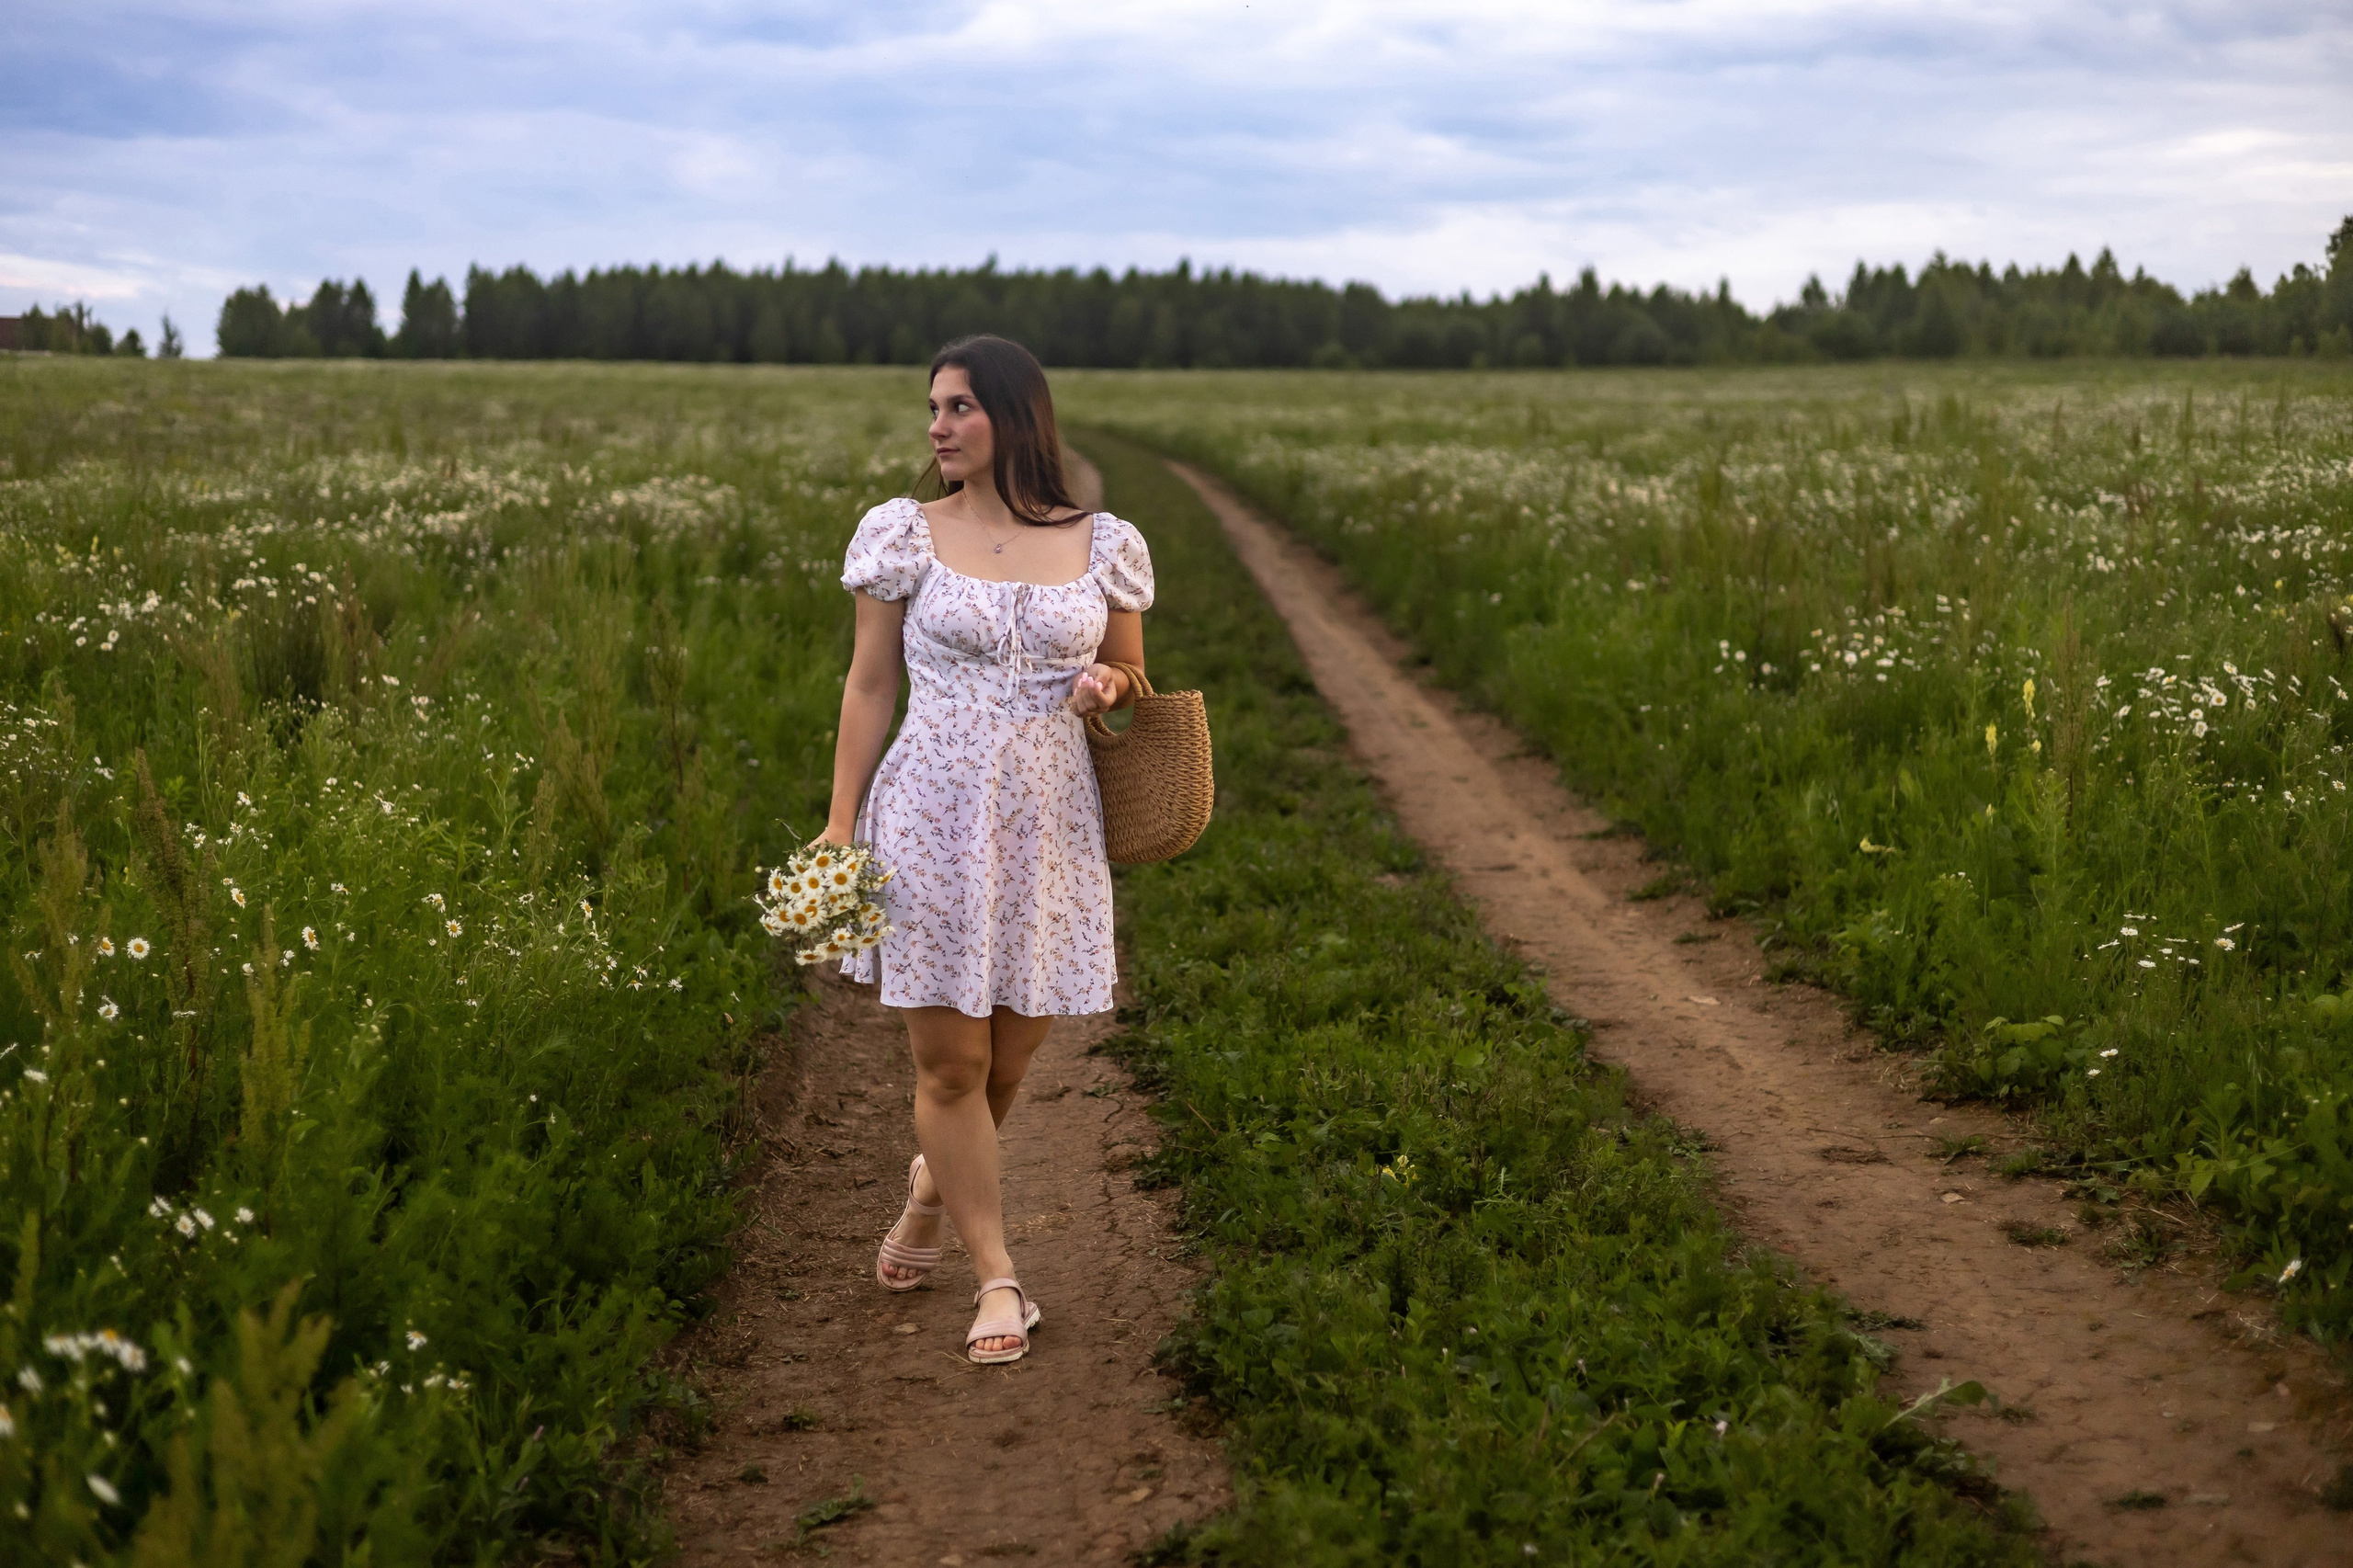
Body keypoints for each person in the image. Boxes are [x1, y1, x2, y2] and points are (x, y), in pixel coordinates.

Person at [818, 335, 1151, 1364]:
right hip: (927, 811)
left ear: (1013, 415)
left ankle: (930, 1189)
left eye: (958, 406)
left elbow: (1130, 672)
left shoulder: (1104, 542)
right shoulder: (900, 533)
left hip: (1051, 820)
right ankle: (998, 1276)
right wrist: (840, 821)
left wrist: (1106, 685)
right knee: (950, 1060)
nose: (937, 426)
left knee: (1010, 1054)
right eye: (932, 408)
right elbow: (870, 684)